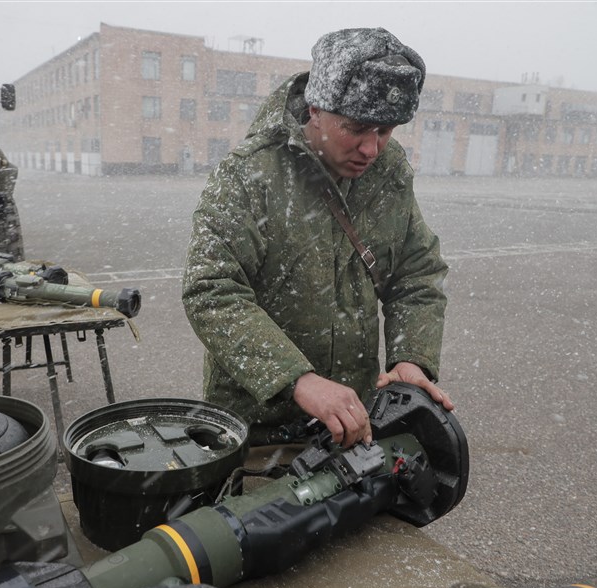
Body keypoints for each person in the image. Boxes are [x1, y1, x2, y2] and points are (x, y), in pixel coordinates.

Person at [182, 27, 453, 448]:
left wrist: (410, 358)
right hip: (257, 429)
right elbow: (211, 290)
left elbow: (415, 272)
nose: (372, 149)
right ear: (315, 110)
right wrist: (298, 379)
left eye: (385, 131)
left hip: (351, 424)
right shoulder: (250, 174)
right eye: (357, 128)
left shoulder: (388, 171)